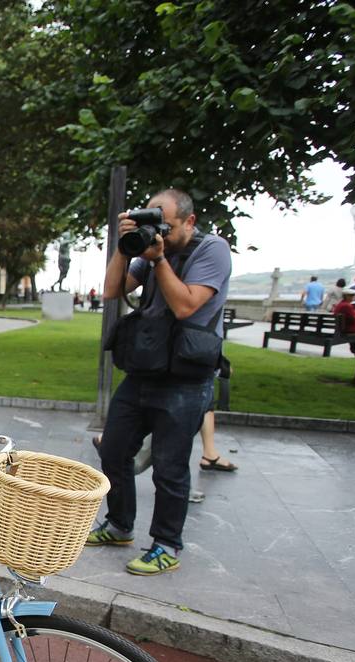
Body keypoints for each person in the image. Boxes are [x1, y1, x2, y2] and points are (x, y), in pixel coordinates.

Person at [87, 188, 232, 576]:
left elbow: (186, 305)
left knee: (169, 467)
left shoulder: (211, 250)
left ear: (189, 221)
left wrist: (159, 259)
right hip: (143, 370)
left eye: (165, 224)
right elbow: (112, 290)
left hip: (186, 378)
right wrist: (124, 247)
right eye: (153, 223)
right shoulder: (149, 247)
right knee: (113, 450)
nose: (159, 232)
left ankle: (166, 544)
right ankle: (119, 525)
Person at [333, 287, 355, 356]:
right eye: (353, 295)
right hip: (347, 329)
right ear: (347, 296)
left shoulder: (340, 304)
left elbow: (351, 315)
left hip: (342, 327)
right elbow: (353, 319)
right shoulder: (347, 306)